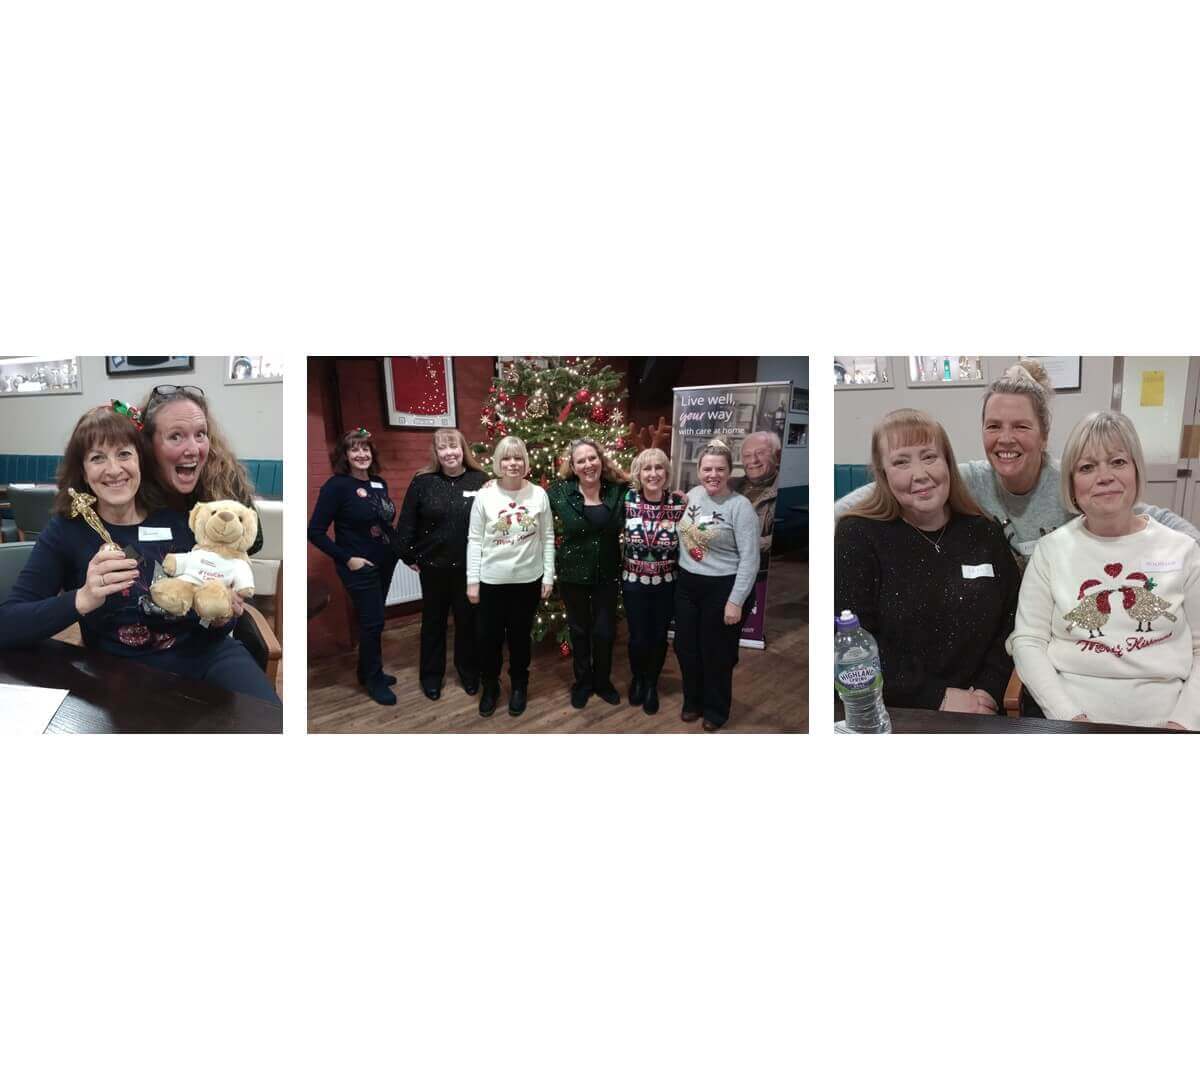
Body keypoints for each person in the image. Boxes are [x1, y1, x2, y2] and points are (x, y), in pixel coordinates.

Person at [0, 404, 280, 705]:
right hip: (123, 673)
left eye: (124, 454)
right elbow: (8, 625)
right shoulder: (68, 531)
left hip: (208, 657)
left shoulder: (177, 518)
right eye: (97, 458)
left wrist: (219, 616)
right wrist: (82, 599)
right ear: (82, 470)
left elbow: (210, 618)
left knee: (268, 721)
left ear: (140, 461)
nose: (114, 469)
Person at [834, 361, 1200, 561]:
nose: (1005, 439)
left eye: (1021, 426)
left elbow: (1145, 515)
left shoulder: (1069, 482)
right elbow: (874, 494)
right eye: (994, 426)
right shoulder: (970, 480)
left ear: (1044, 434)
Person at [1008, 411, 1200, 729]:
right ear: (1071, 483)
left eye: (1118, 462)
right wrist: (1070, 718)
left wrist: (1181, 724)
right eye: (1087, 467)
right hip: (1071, 721)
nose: (1105, 476)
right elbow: (1028, 641)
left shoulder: (1183, 550)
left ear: (1137, 471)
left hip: (1167, 721)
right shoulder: (1051, 551)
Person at [835, 409, 1020, 716]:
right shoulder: (857, 535)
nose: (919, 473)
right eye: (901, 462)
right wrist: (937, 697)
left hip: (983, 707)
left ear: (948, 462)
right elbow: (849, 641)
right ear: (883, 473)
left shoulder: (985, 532)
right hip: (896, 710)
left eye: (929, 456)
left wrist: (989, 690)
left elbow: (1014, 618)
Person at [393, 428, 488, 701]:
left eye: (453, 447)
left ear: (463, 450)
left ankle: (469, 672)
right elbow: (407, 523)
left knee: (467, 623)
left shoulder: (480, 480)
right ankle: (431, 676)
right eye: (442, 448)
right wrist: (409, 556)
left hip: (469, 569)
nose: (449, 453)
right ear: (436, 453)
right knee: (433, 624)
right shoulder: (423, 482)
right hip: (434, 569)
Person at [308, 427, 399, 706]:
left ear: (372, 453)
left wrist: (403, 553)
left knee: (373, 620)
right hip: (359, 566)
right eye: (354, 449)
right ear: (345, 455)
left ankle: (367, 670)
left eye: (365, 449)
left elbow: (385, 524)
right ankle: (373, 679)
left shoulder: (379, 483)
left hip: (385, 561)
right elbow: (315, 532)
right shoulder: (336, 486)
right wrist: (348, 559)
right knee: (373, 623)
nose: (361, 454)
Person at [466, 436, 555, 718]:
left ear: (525, 462)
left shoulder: (538, 495)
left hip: (527, 581)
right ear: (498, 462)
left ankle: (519, 685)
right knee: (488, 640)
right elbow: (475, 540)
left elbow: (548, 536)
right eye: (506, 458)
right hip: (491, 582)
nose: (512, 463)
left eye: (518, 458)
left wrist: (548, 576)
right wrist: (472, 580)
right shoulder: (485, 495)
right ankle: (490, 686)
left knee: (519, 639)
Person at [675, 440, 760, 730]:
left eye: (720, 469)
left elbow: (750, 560)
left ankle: (716, 709)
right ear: (699, 471)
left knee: (717, 655)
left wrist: (735, 601)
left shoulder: (741, 507)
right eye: (708, 468)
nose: (713, 474)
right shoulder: (692, 495)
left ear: (730, 471)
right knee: (686, 649)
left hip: (723, 588)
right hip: (687, 585)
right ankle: (693, 701)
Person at [547, 438, 628, 709]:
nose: (588, 464)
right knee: (579, 631)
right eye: (580, 460)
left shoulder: (617, 489)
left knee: (605, 632)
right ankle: (582, 683)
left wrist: (680, 497)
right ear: (572, 465)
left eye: (592, 458)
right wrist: (493, 484)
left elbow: (650, 484)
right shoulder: (559, 491)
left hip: (607, 573)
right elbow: (527, 497)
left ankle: (602, 682)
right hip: (572, 574)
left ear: (600, 460)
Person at [137, 384, 265, 556]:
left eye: (200, 434)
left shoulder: (223, 476)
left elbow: (254, 541)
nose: (194, 450)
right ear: (148, 444)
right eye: (176, 436)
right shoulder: (132, 486)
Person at [621, 447, 687, 715]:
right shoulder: (627, 500)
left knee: (658, 637)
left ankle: (651, 684)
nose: (653, 473)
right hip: (633, 582)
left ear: (666, 473)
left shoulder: (679, 504)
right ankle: (637, 678)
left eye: (659, 468)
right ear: (639, 472)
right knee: (637, 637)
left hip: (666, 583)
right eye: (647, 468)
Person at [733, 430, 782, 554]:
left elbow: (788, 536)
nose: (753, 460)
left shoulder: (786, 491)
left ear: (777, 456)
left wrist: (737, 545)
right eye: (747, 455)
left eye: (760, 453)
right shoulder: (729, 485)